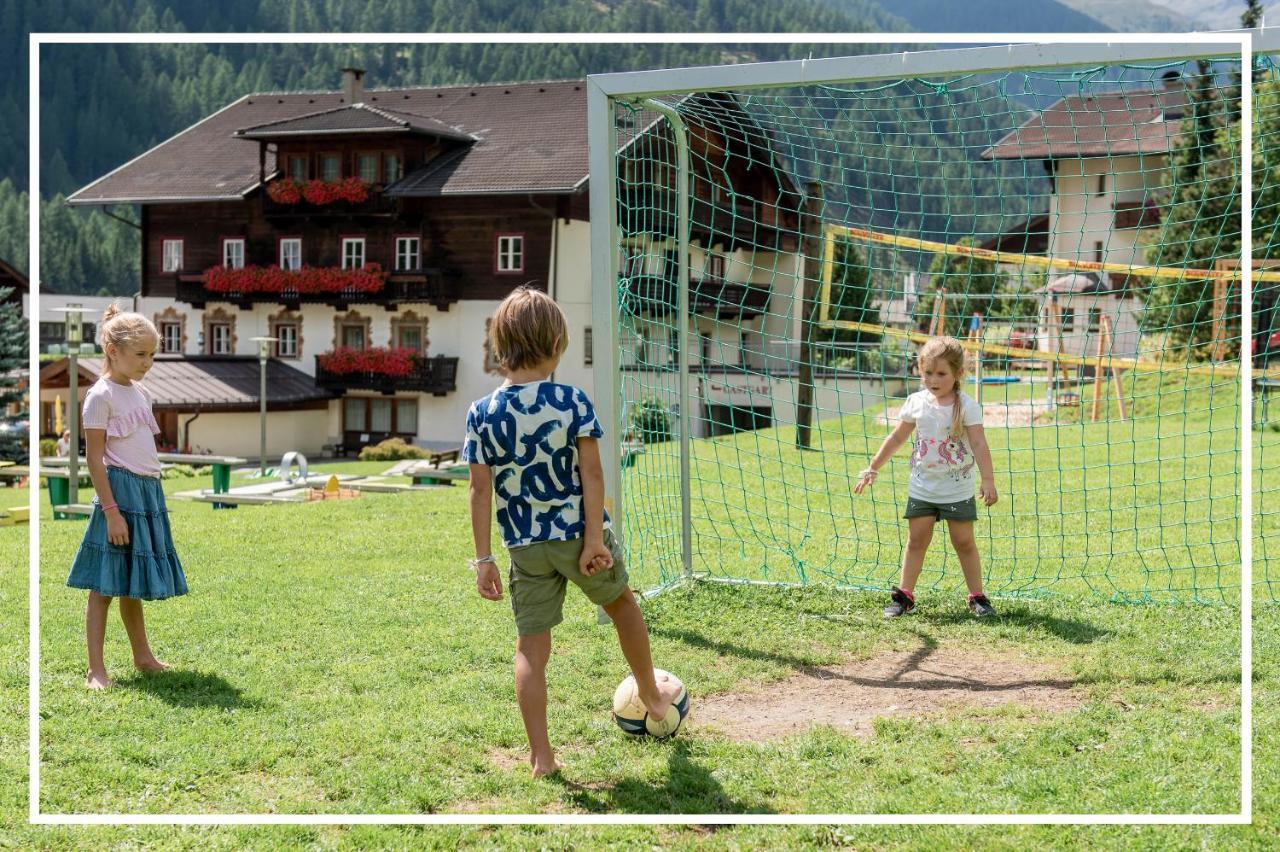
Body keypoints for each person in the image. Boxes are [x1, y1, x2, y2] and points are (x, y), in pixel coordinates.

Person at [463, 286, 683, 777]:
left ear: (500, 345)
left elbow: (480, 492)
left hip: (524, 546)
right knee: (623, 606)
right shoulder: (571, 401)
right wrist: (595, 540)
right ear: (558, 344)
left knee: (531, 648)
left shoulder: (481, 413)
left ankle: (542, 757)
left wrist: (484, 560)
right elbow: (593, 474)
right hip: (578, 537)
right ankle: (650, 694)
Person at [65, 304, 186, 689]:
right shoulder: (99, 396)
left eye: (152, 354)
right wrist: (112, 511)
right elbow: (95, 460)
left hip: (146, 492)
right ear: (112, 351)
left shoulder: (141, 392)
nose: (147, 362)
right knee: (104, 585)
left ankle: (143, 656)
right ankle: (95, 671)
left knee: (130, 581)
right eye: (141, 354)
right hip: (118, 494)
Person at [855, 336, 999, 618]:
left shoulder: (967, 406)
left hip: (957, 489)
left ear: (958, 374)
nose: (933, 379)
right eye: (927, 373)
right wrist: (874, 466)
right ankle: (904, 596)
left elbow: (980, 444)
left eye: (941, 373)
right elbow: (897, 437)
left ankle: (977, 597)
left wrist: (988, 480)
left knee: (964, 542)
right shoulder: (916, 402)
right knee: (917, 541)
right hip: (922, 488)